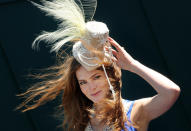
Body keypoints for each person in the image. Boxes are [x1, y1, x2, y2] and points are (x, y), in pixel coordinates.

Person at [16, 0, 181, 131]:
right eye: (83, 82)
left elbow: (171, 92)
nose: (91, 87)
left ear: (110, 76)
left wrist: (132, 65)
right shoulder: (82, 123)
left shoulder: (135, 111)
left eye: (95, 77)